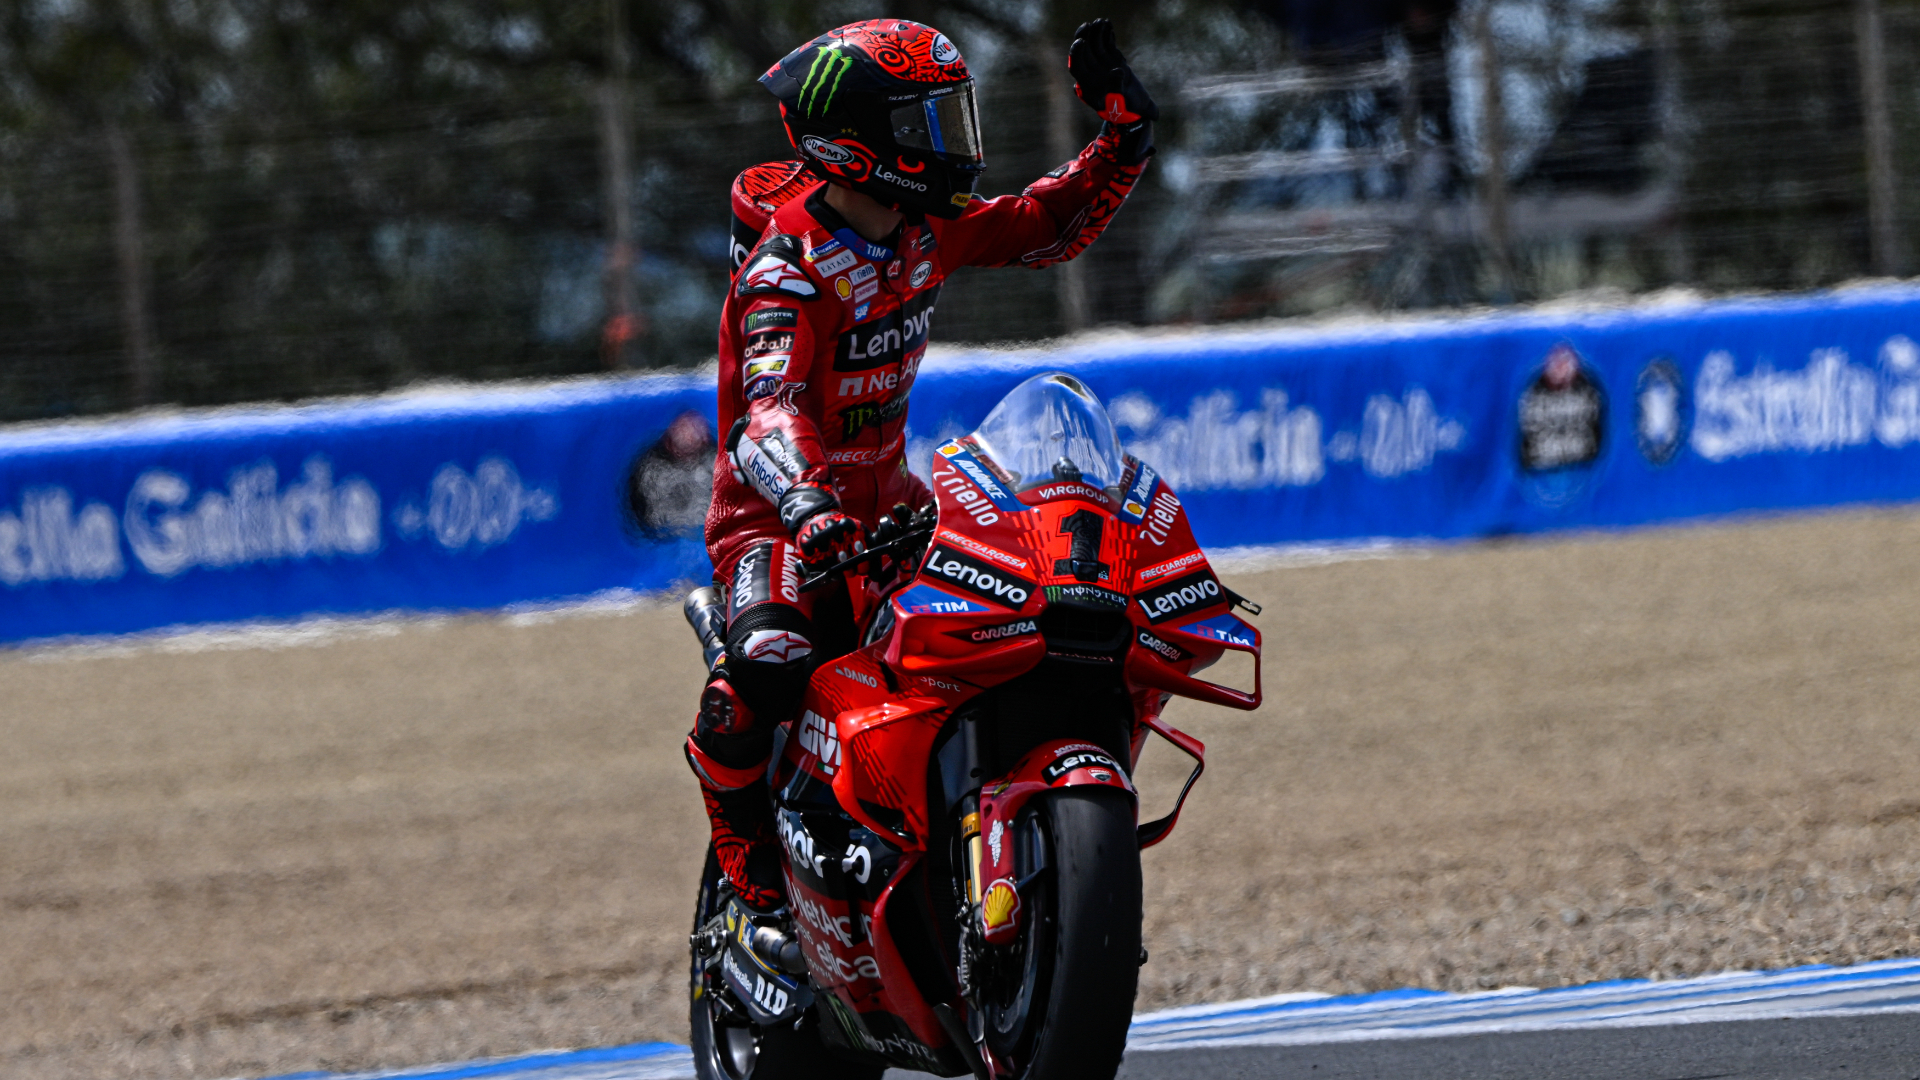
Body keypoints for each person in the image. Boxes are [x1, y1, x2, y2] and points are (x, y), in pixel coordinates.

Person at [684, 17, 1158, 926]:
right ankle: (746, 864)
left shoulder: (921, 228)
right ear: (860, 144)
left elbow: (1045, 226)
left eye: (954, 118)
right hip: (779, 523)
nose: (954, 146)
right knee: (770, 656)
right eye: (927, 124)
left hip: (895, 511)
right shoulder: (789, 269)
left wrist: (1123, 141)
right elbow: (765, 411)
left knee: (1013, 628)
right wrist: (807, 501)